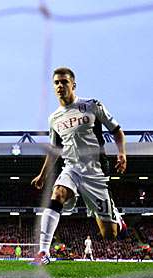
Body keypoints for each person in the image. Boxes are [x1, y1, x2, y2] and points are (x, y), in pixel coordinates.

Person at [31, 67, 127, 265]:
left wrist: (122, 154)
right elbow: (55, 149)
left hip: (95, 171)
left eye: (64, 82)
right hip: (71, 167)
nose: (60, 86)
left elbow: (117, 131)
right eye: (56, 82)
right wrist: (42, 176)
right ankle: (43, 253)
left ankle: (116, 218)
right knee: (57, 193)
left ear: (73, 84)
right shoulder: (54, 118)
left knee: (109, 234)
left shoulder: (92, 106)